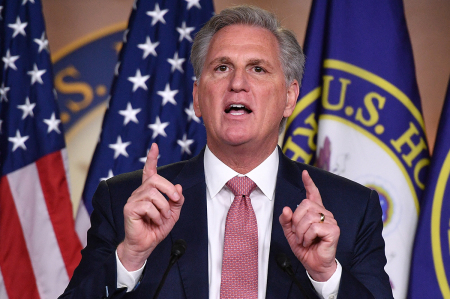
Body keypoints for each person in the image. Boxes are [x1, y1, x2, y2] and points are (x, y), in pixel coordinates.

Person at [60, 5, 392, 299]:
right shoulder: (123, 202)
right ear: (197, 98)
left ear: (290, 98)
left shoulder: (351, 209)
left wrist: (327, 277)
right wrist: (129, 257)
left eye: (258, 69)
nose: (237, 83)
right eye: (221, 68)